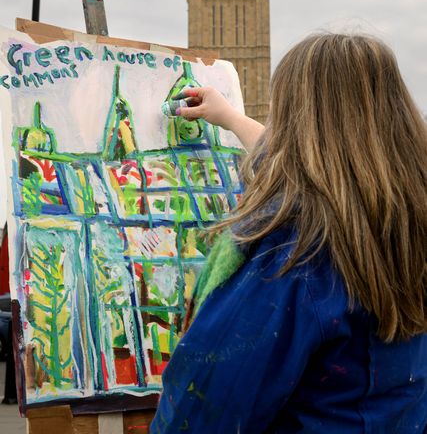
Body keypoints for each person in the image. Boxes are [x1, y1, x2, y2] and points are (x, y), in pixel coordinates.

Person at [150, 33, 427, 433]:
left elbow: (204, 409)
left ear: (297, 125)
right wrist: (230, 118)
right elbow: (322, 170)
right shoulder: (400, 225)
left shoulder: (292, 253)